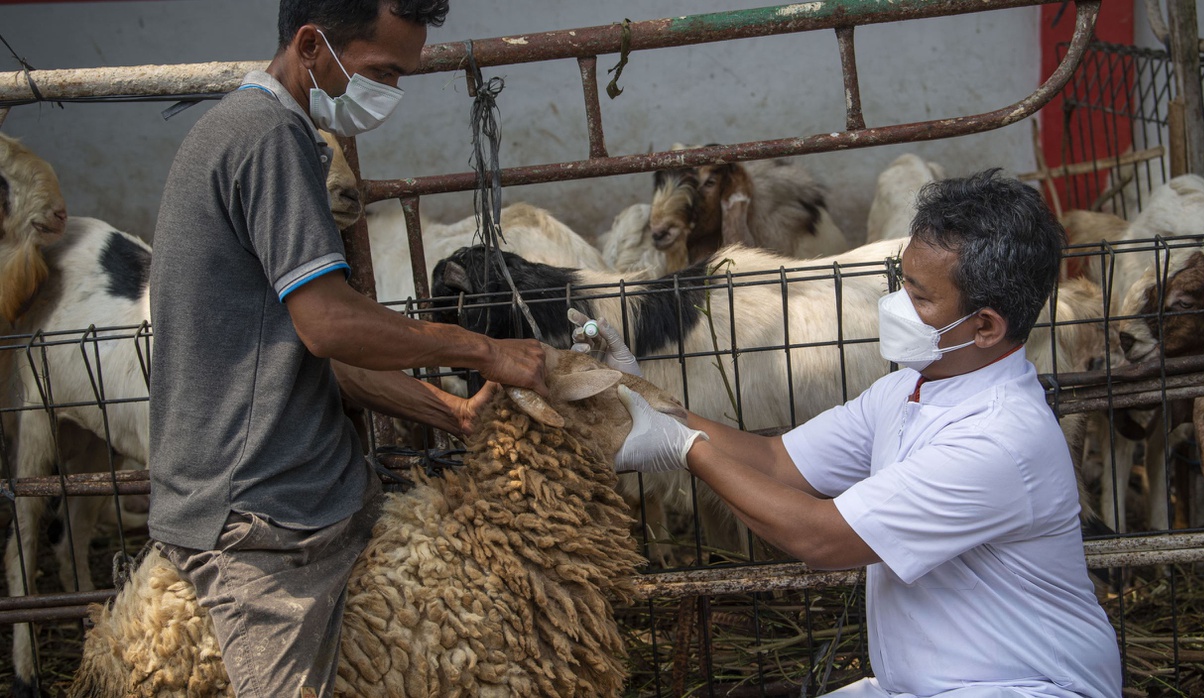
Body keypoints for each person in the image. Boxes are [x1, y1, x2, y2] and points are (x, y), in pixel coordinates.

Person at [580, 169, 1122, 697]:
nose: (895, 306)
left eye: (920, 297)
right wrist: (649, 398)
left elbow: (821, 537)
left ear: (984, 326)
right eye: (902, 283)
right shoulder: (907, 390)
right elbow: (775, 460)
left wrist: (687, 450)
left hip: (1026, 687)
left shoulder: (999, 440)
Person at [146, 1, 548, 695]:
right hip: (260, 518)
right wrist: (485, 350)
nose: (390, 92)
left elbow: (301, 355)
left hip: (307, 489)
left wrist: (445, 411)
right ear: (311, 45)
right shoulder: (266, 139)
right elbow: (328, 325)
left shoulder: (265, 132)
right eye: (382, 71)